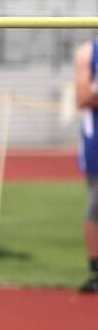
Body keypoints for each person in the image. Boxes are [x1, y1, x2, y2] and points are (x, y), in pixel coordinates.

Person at [75, 38, 98, 293]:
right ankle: (95, 271)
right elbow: (83, 97)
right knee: (96, 203)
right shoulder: (88, 52)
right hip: (97, 140)